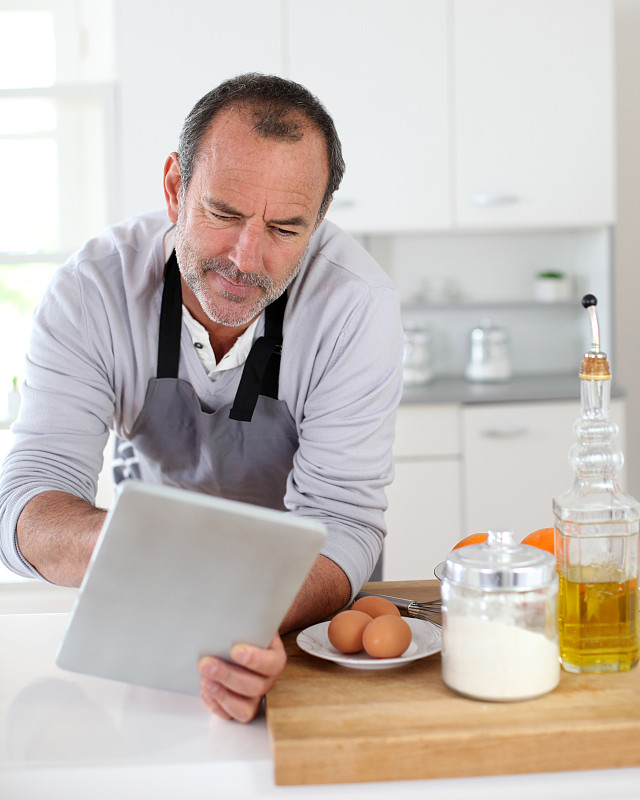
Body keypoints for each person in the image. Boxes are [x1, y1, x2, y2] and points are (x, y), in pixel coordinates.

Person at [0, 73, 403, 722]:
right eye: (224, 214)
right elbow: (26, 501)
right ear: (173, 188)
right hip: (146, 613)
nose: (246, 258)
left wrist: (241, 612)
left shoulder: (356, 306)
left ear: (320, 222)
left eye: (286, 228)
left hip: (298, 622)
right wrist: (125, 551)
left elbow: (345, 523)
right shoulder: (91, 291)